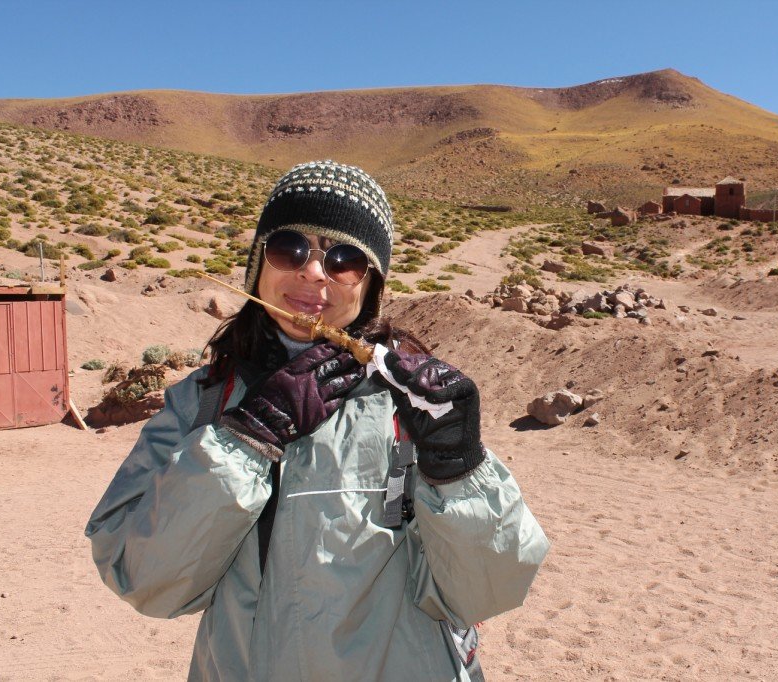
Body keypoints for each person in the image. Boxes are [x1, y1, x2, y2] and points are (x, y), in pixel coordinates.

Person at [85, 160, 550, 681]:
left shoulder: (415, 402)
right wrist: (245, 439)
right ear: (258, 265)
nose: (312, 273)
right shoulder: (203, 401)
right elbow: (144, 581)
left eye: (344, 259)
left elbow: (487, 592)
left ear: (370, 284)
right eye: (291, 249)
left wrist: (458, 468)